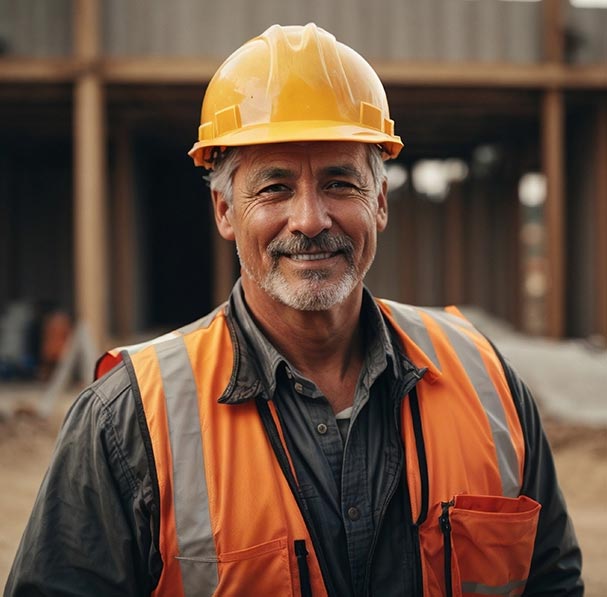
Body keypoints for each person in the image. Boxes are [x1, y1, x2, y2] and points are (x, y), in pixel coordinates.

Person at [5, 23, 582, 597]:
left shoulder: (485, 382)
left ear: (379, 202)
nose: (310, 220)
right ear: (225, 211)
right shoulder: (128, 418)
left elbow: (552, 580)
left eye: (339, 183)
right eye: (275, 188)